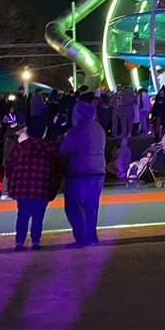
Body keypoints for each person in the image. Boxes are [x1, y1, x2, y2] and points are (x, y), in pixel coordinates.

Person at [5, 119, 62, 250]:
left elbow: (9, 166)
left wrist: (13, 183)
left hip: (22, 188)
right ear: (44, 132)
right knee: (38, 216)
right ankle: (35, 241)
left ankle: (19, 242)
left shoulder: (20, 147)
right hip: (41, 187)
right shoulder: (49, 147)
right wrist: (53, 187)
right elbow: (57, 168)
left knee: (22, 215)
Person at [60, 98, 107, 247]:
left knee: (74, 206)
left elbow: (65, 151)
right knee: (91, 206)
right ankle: (92, 237)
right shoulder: (99, 130)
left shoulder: (75, 131)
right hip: (98, 171)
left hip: (79, 172)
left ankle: (81, 237)